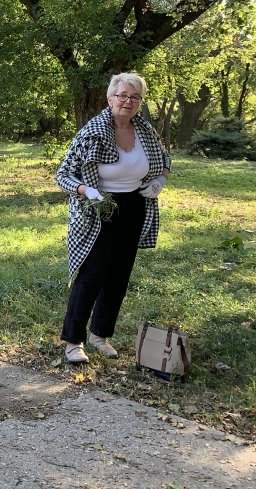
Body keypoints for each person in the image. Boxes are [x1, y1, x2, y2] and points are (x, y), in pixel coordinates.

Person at [56, 73, 171, 363]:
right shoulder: (92, 131)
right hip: (97, 207)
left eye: (135, 97)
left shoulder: (146, 132)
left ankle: (100, 336)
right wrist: (86, 190)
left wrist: (159, 181)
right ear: (110, 99)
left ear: (140, 102)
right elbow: (63, 175)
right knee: (93, 273)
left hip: (134, 205)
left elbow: (165, 162)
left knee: (119, 275)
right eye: (122, 95)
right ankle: (73, 341)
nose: (128, 101)